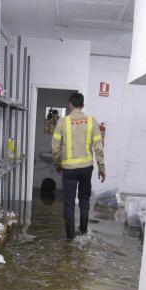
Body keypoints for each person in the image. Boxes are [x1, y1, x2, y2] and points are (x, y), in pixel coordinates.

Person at [51, 91, 106, 240]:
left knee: (69, 203)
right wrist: (102, 168)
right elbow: (98, 147)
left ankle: (70, 238)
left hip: (68, 169)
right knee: (84, 199)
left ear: (70, 104)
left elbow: (55, 148)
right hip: (86, 168)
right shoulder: (92, 121)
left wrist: (57, 164)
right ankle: (83, 232)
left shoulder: (62, 122)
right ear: (82, 105)